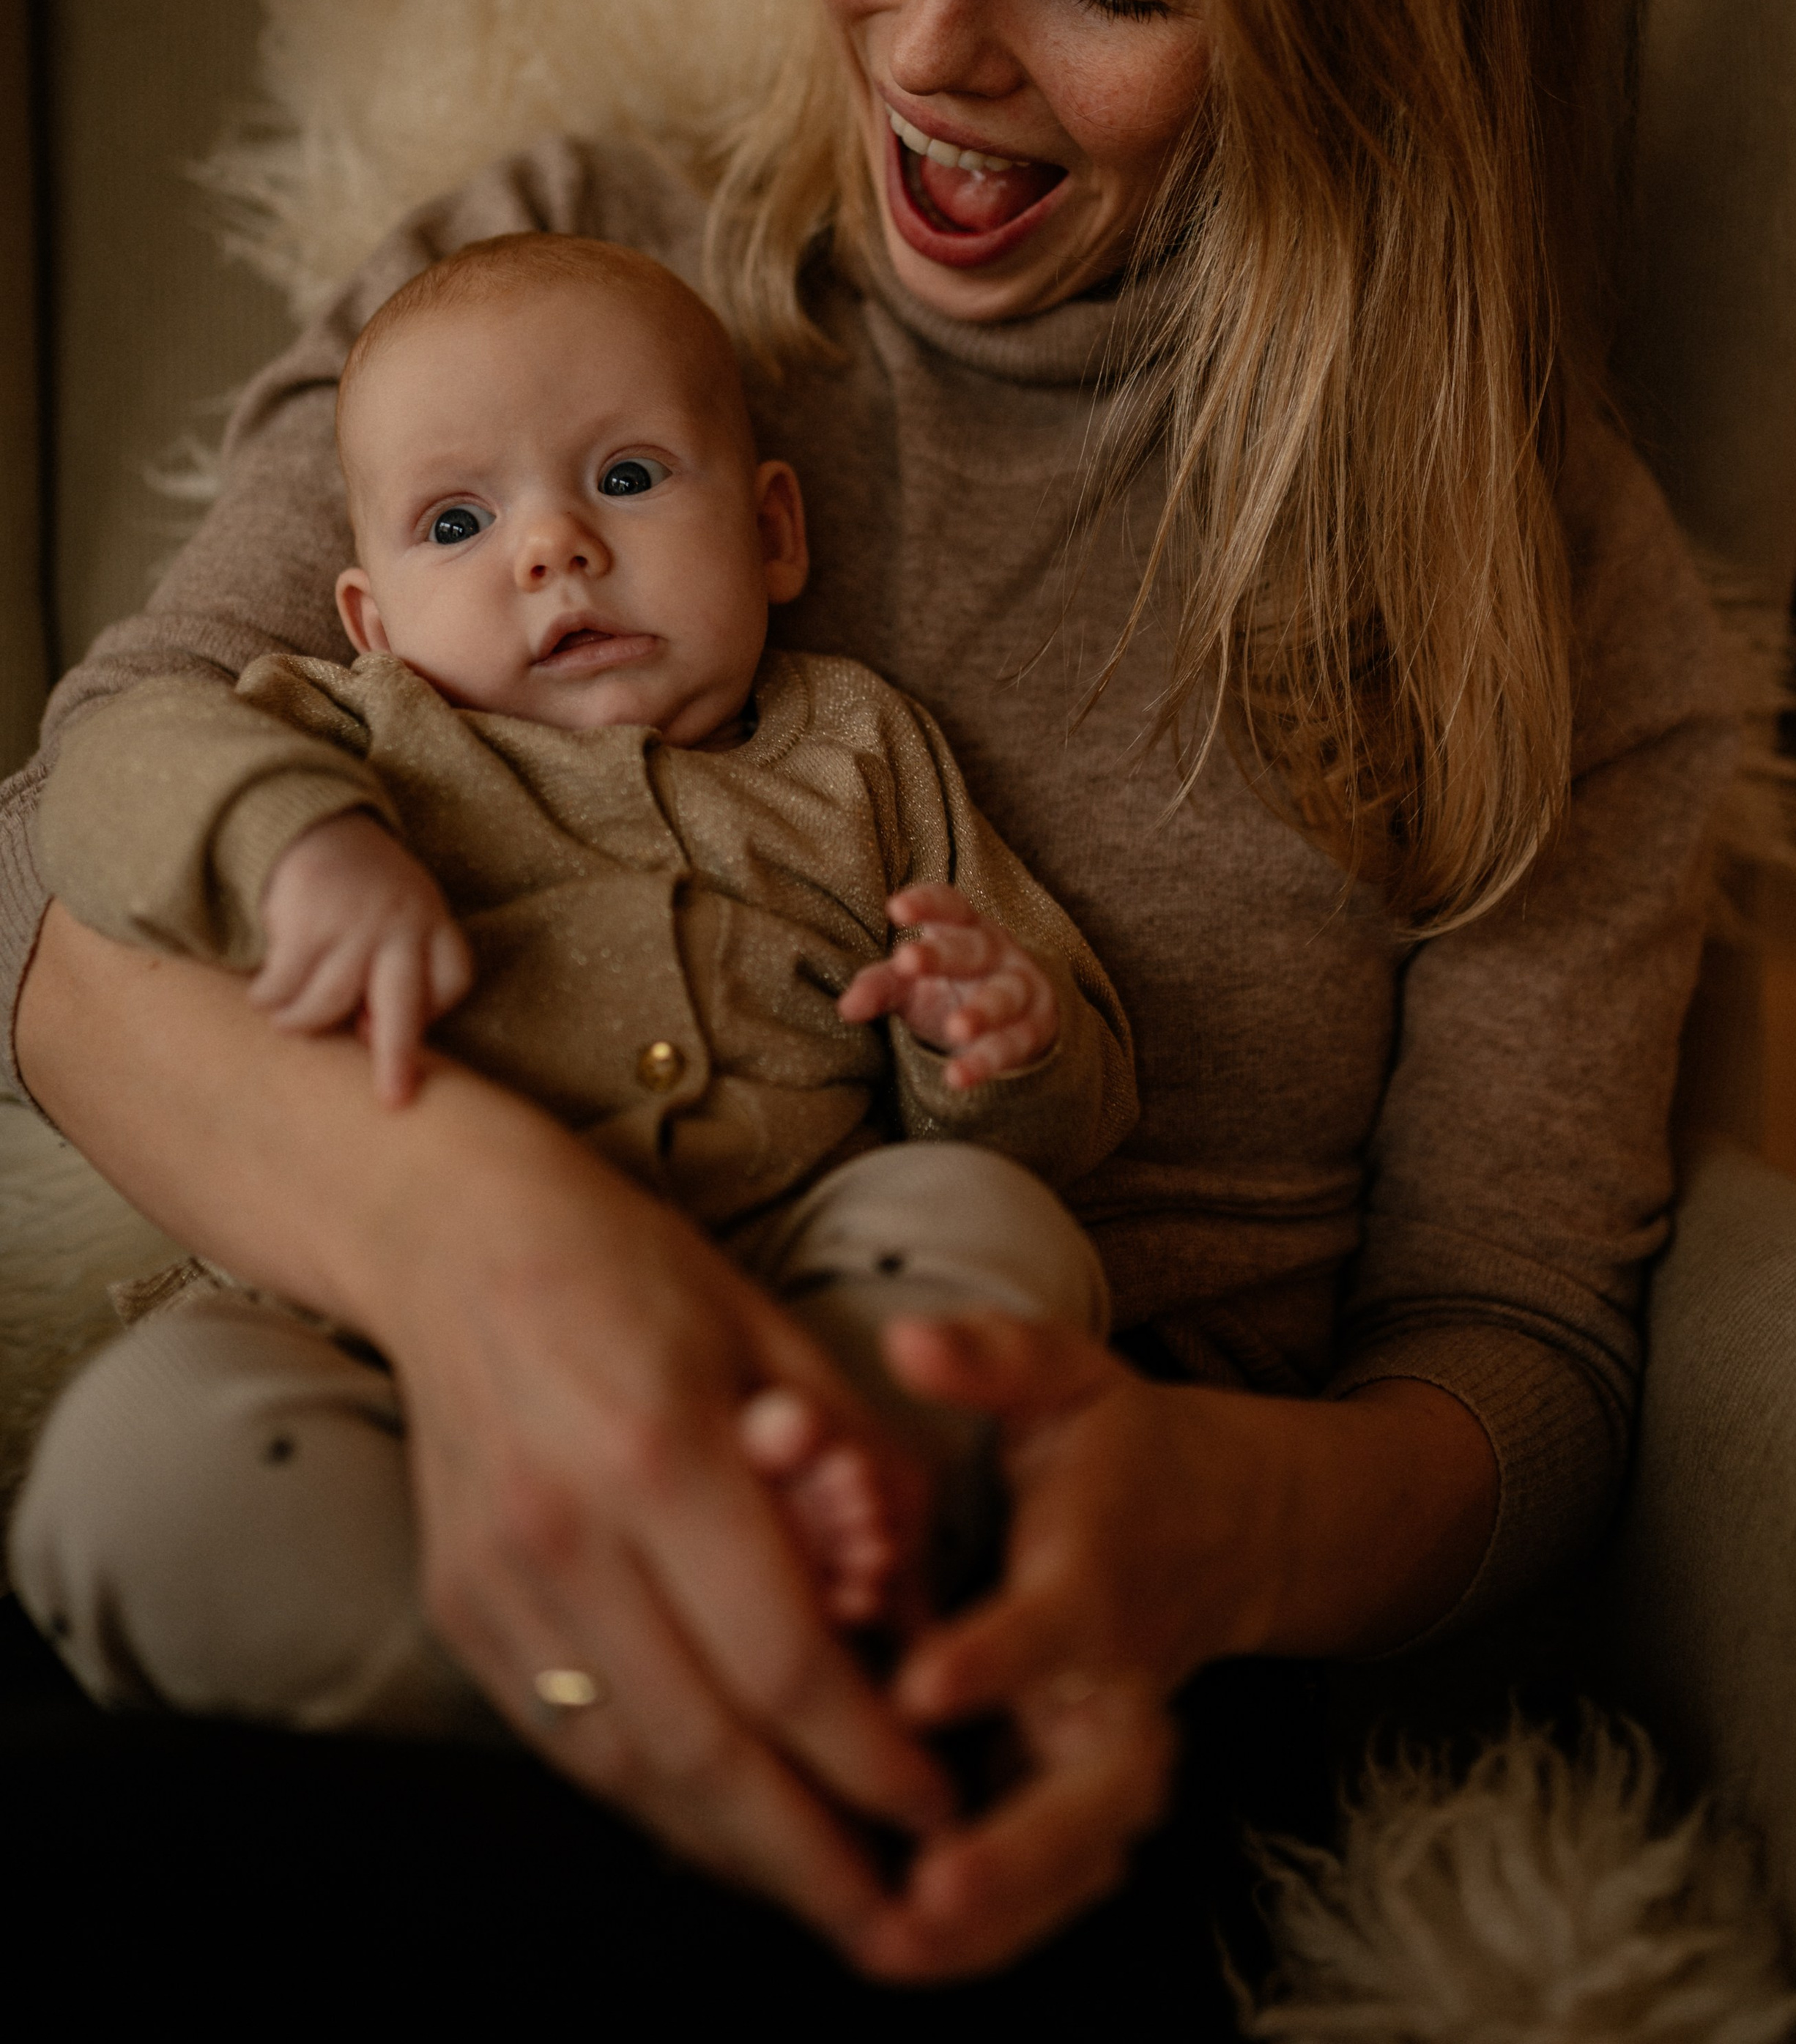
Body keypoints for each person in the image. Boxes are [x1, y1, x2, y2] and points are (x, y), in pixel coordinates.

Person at [0, 0, 1739, 2013]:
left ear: (1358, 15)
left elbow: (1517, 1356)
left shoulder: (1530, 570)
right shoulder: (566, 287)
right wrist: (492, 1263)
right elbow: (71, 867)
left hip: (1012, 1637)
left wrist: (1204, 1515)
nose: (931, 37)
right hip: (408, 1508)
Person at [17, 231, 1131, 1680]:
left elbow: (1081, 1108)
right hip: (390, 1343)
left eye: (625, 478)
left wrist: (994, 1043)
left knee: (986, 1228)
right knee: (134, 1465)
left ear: (773, 532)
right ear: (372, 620)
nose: (554, 548)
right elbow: (97, 775)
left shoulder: (856, 746)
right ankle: (580, 1682)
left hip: (792, 1296)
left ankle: (815, 1511)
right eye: (458, 524)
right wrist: (294, 841)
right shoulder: (355, 733)